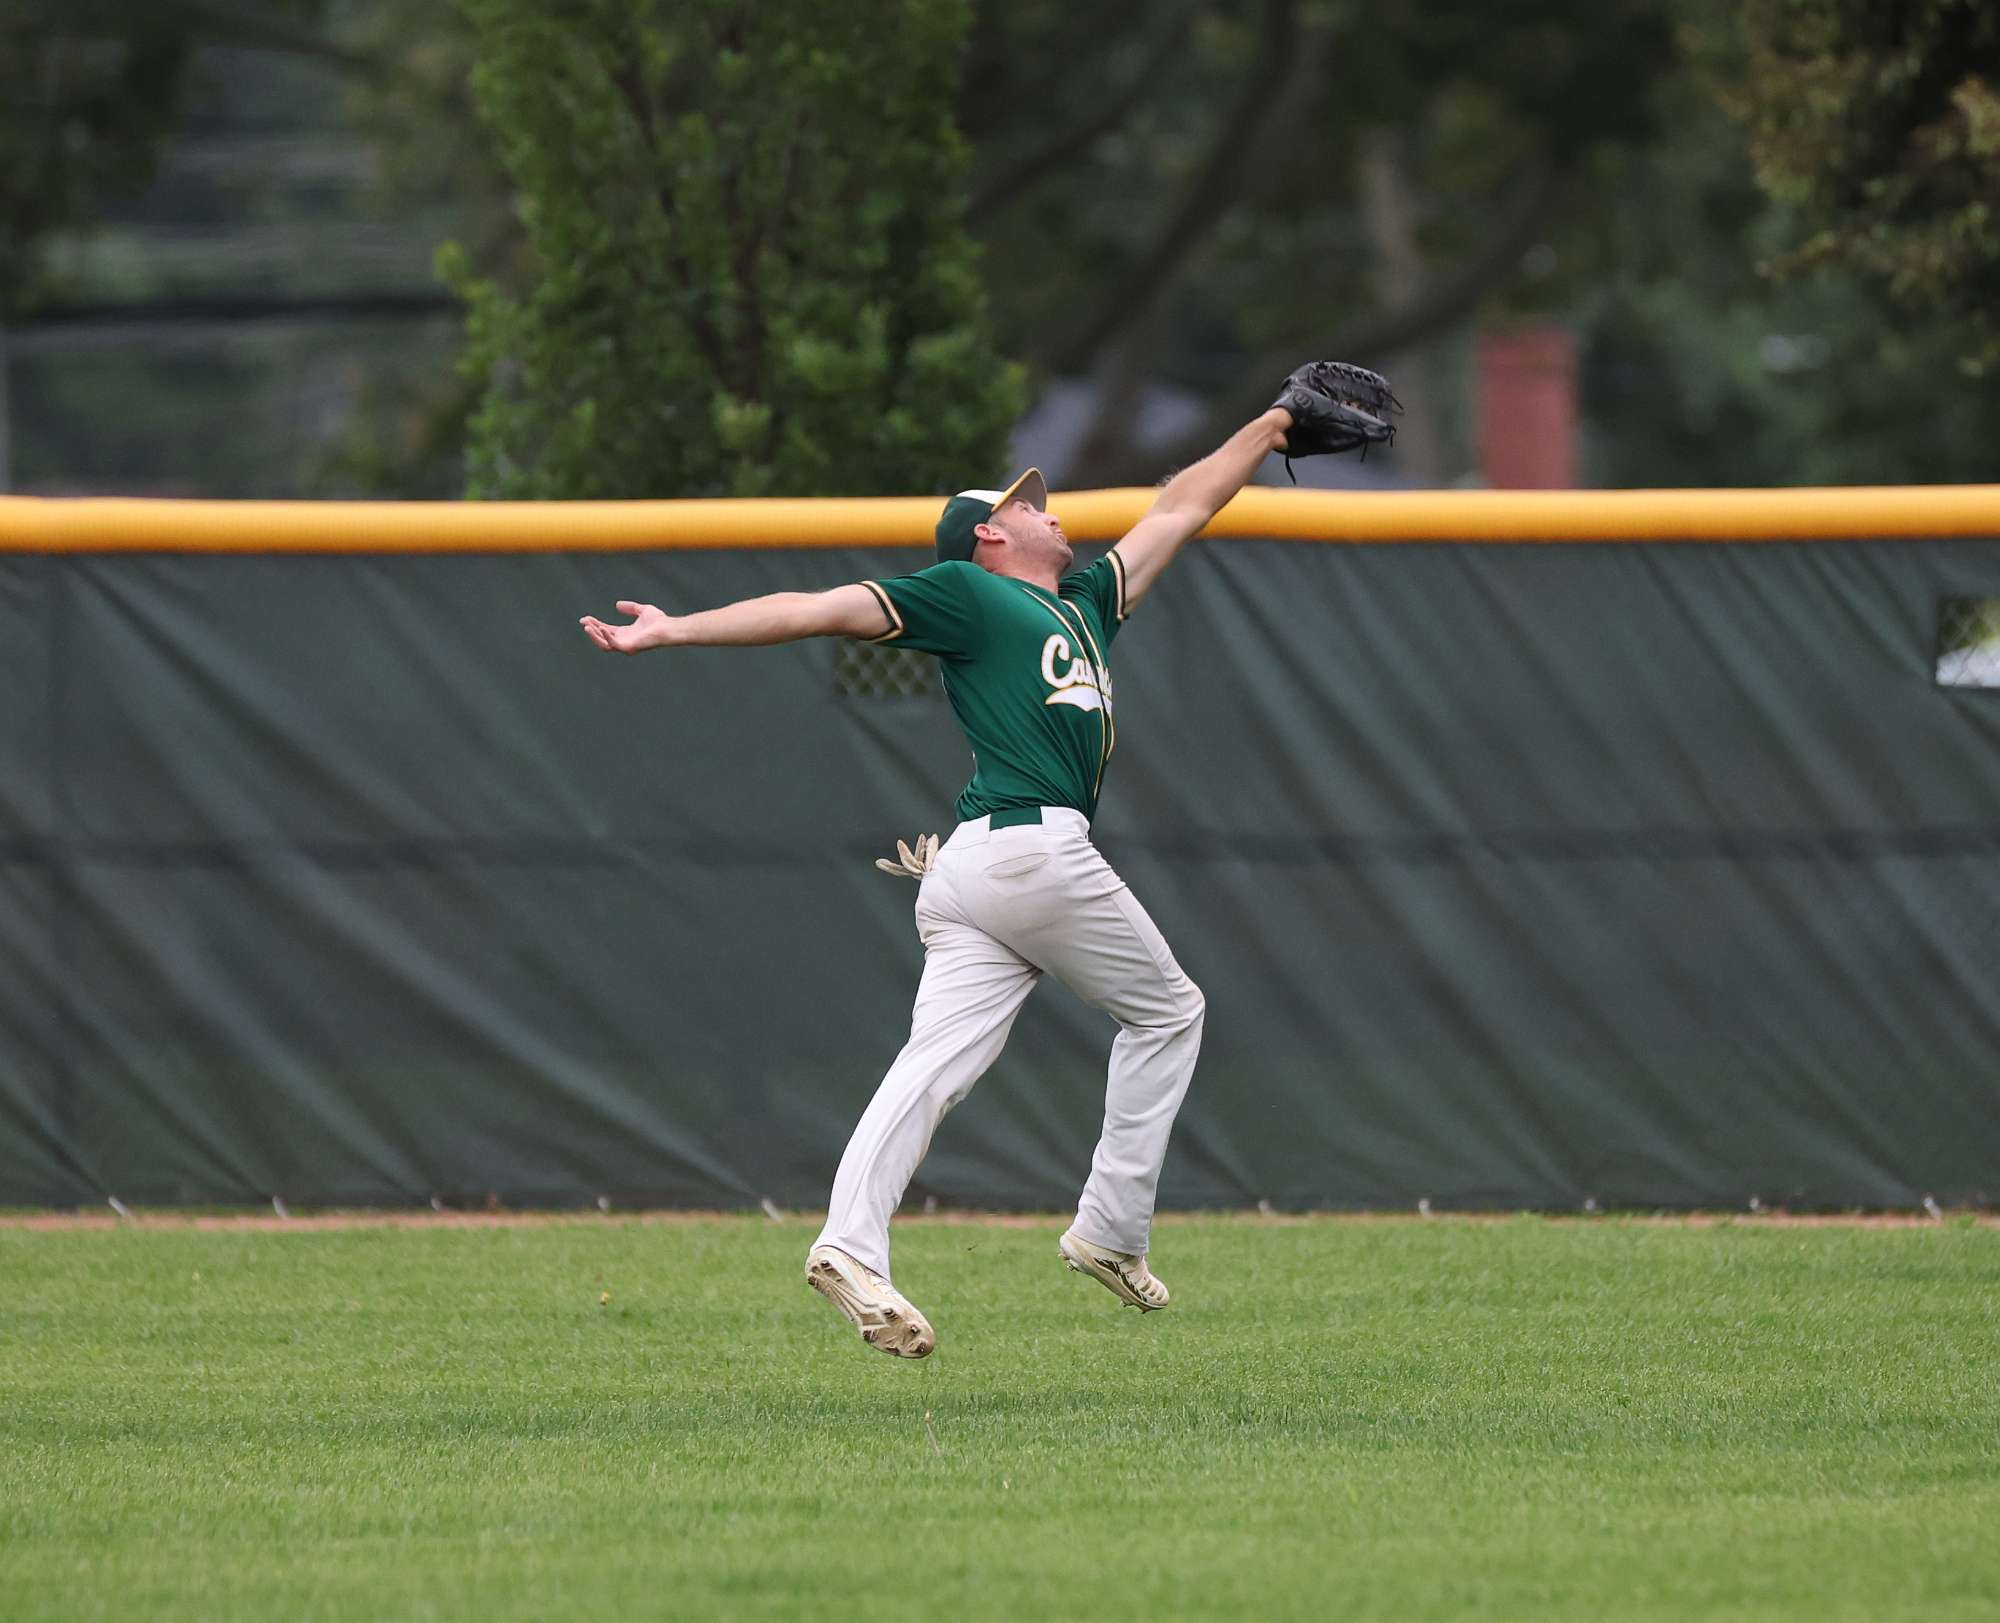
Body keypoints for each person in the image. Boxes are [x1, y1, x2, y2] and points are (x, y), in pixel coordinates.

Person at [580, 405, 1295, 1357]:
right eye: (1025, 505)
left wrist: (1273, 425)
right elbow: (816, 608)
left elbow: (1180, 507)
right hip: (1030, 850)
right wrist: (674, 630)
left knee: (929, 1066)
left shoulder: (1085, 604)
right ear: (989, 535)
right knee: (1169, 1011)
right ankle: (1110, 1231)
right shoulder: (967, 592)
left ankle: (848, 1244)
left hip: (974, 870)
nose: (1048, 509)